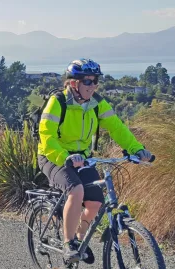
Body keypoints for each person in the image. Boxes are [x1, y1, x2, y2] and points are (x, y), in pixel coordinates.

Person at [37, 58, 152, 263]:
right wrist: (65, 157)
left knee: (96, 201)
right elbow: (47, 137)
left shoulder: (97, 104)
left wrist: (137, 149)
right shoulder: (58, 102)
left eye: (95, 81)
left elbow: (117, 128)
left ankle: (80, 240)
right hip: (53, 156)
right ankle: (68, 244)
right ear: (74, 83)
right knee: (76, 190)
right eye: (88, 81)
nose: (93, 86)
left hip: (83, 158)